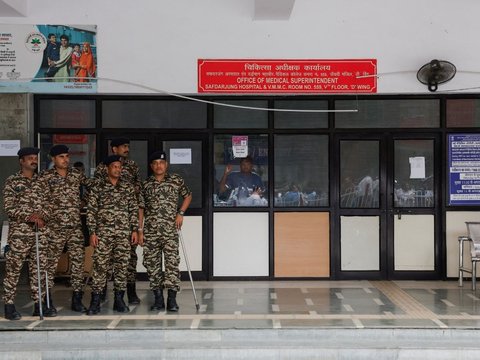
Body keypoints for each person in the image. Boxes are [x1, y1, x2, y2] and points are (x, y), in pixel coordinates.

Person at [38, 145, 92, 314]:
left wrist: (83, 202)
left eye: (67, 156)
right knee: (50, 264)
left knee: (78, 263)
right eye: (61, 157)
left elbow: (92, 187)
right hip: (54, 228)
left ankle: (77, 299)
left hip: (75, 227)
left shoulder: (76, 174)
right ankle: (48, 301)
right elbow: (37, 197)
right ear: (53, 159)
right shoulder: (45, 177)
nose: (65, 159)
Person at [139, 151, 192, 312]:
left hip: (170, 231)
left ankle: (172, 300)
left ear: (166, 164)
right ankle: (158, 299)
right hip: (151, 232)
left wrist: (180, 213)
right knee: (152, 266)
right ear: (151, 166)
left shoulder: (175, 180)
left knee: (172, 265)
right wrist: (140, 230)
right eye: (155, 163)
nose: (158, 166)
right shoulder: (146, 184)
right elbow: (141, 208)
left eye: (161, 163)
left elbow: (188, 195)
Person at [2, 147, 52, 320]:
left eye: (35, 158)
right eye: (30, 158)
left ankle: (39, 304)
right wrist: (29, 217)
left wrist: (43, 216)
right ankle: (9, 305)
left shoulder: (42, 181)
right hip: (19, 234)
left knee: (39, 269)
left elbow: (49, 205)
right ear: (21, 161)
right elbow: (9, 207)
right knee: (13, 270)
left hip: (40, 233)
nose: (34, 161)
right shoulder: (12, 181)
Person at [86, 155, 139, 315]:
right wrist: (92, 232)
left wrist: (135, 229)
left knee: (122, 267)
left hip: (123, 235)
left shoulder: (127, 187)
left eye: (119, 167)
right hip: (103, 235)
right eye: (114, 166)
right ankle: (95, 301)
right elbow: (91, 210)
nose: (118, 169)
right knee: (100, 268)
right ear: (108, 168)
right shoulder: (98, 187)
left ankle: (119, 300)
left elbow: (133, 210)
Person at [94, 138, 141, 304]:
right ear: (114, 149)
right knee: (102, 263)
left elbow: (138, 189)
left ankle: (129, 293)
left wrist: (136, 228)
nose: (127, 149)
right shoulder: (102, 168)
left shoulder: (133, 166)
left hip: (125, 223)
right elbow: (96, 193)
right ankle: (101, 294)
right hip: (106, 226)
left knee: (128, 260)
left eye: (128, 146)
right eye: (124, 146)